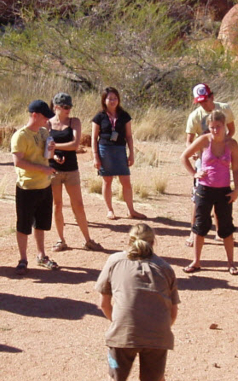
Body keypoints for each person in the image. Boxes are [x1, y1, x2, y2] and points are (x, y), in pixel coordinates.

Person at [96, 223, 179, 381]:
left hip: (122, 333)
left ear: (128, 241)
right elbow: (173, 312)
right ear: (154, 242)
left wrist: (118, 323)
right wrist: (156, 331)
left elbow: (103, 303)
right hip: (158, 334)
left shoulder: (114, 262)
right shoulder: (165, 268)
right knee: (157, 378)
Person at [180, 111, 238, 274]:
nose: (215, 131)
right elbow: (184, 157)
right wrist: (195, 173)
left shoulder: (232, 144)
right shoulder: (204, 141)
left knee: (226, 227)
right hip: (205, 189)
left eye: (218, 127)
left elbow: (236, 168)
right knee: (200, 226)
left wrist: (236, 190)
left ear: (224, 126)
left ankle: (230, 263)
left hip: (224, 191)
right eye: (212, 127)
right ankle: (196, 261)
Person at [49, 92, 103, 253]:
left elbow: (75, 144)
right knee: (57, 205)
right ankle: (61, 240)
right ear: (56, 107)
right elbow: (44, 146)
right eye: (65, 107)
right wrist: (54, 155)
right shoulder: (47, 123)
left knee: (78, 205)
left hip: (71, 169)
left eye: (70, 106)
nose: (68, 110)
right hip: (53, 169)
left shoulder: (75, 122)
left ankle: (87, 240)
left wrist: (55, 147)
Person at [11, 99, 59, 273]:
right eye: (45, 117)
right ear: (35, 115)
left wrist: (52, 150)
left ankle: (41, 255)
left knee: (41, 223)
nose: (47, 120)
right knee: (24, 224)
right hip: (27, 187)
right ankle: (23, 259)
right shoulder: (20, 136)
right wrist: (42, 169)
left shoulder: (44, 132)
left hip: (44, 185)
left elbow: (48, 155)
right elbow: (18, 162)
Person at [184, 83, 236, 243]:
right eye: (200, 102)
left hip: (222, 158)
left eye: (205, 100)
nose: (203, 104)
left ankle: (221, 232)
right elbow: (189, 141)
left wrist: (225, 142)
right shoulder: (195, 116)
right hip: (204, 160)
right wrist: (195, 154)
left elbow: (232, 129)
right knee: (198, 197)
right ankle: (194, 232)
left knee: (221, 195)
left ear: (212, 97)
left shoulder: (224, 109)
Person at [91, 86, 147, 221]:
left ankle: (131, 210)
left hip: (120, 150)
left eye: (115, 98)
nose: (113, 101)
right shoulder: (99, 117)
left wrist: (131, 154)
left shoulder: (124, 115)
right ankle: (110, 210)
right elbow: (94, 137)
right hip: (105, 149)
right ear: (104, 100)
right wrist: (95, 156)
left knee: (126, 181)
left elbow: (129, 136)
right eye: (110, 98)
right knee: (107, 181)